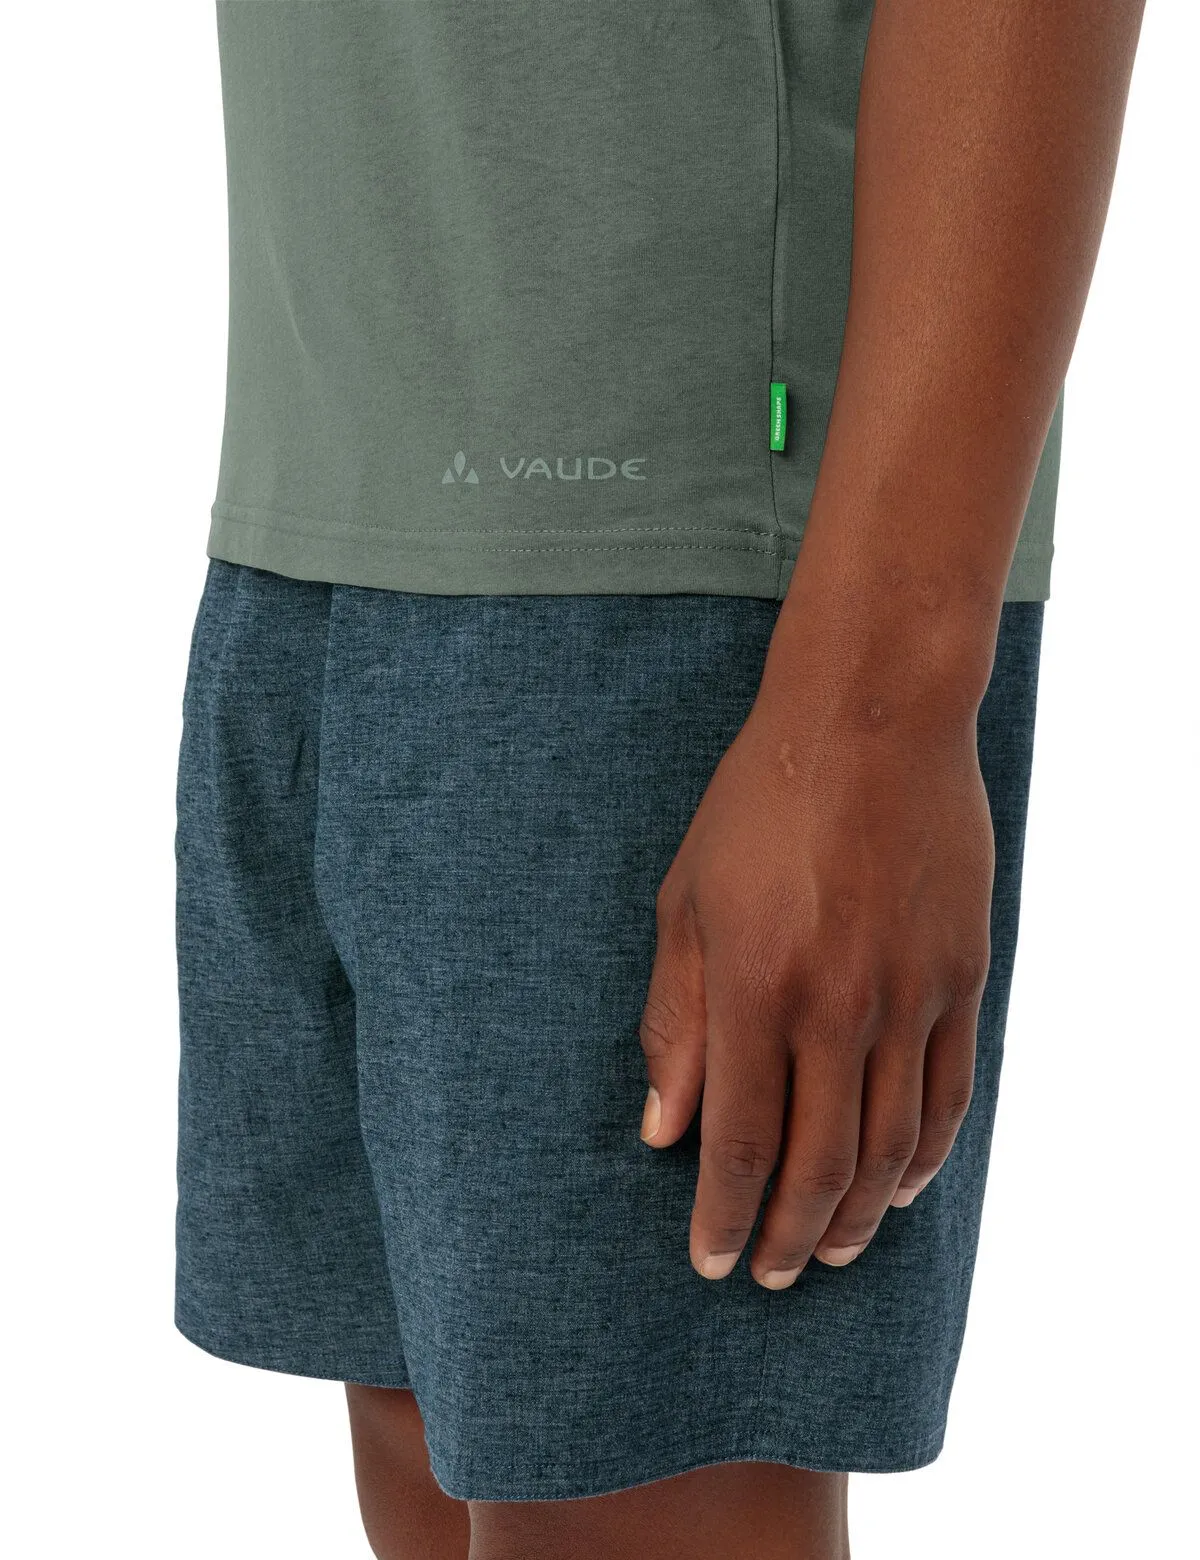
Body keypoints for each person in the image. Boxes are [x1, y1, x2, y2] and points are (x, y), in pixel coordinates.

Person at [174, 3, 1146, 1555]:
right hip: (325, 481)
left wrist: (877, 705)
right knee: (431, 1436)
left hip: (683, 552)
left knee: (620, 1491)